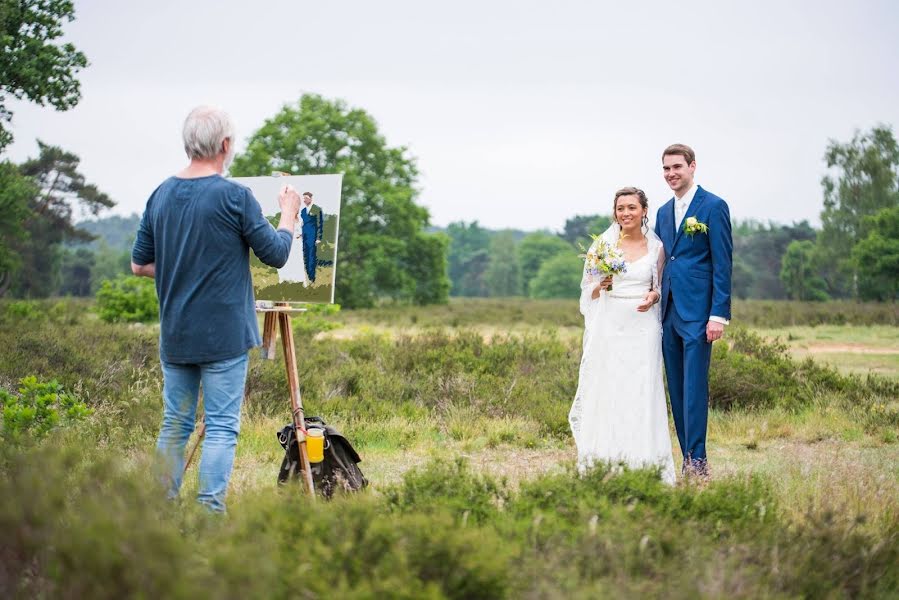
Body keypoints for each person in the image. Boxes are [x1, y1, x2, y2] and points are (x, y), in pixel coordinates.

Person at [131, 105, 302, 512]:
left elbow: (140, 264)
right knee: (223, 426)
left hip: (176, 332)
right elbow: (276, 253)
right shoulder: (234, 196)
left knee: (175, 425)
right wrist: (290, 214)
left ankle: (159, 514)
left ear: (189, 143)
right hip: (224, 335)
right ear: (225, 145)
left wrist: (183, 267)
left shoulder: (160, 194)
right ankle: (209, 516)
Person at [569, 187, 676, 485]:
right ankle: (606, 462)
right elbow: (585, 293)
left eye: (631, 207)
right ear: (614, 213)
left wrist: (652, 298)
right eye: (620, 208)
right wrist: (599, 286)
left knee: (641, 390)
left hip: (643, 327)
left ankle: (646, 464)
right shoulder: (603, 247)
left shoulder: (657, 248)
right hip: (611, 324)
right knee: (610, 389)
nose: (626, 213)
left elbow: (658, 287)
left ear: (643, 210)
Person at [654, 144, 733, 479]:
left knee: (695, 388)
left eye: (677, 167)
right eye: (666, 169)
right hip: (668, 311)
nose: (672, 174)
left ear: (692, 167)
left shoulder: (713, 207)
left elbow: (723, 263)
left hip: (700, 314)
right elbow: (661, 259)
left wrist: (719, 314)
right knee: (676, 387)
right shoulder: (661, 211)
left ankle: (698, 461)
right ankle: (687, 457)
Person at [299, 191, 324, 283]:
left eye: (306, 198)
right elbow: (303, 224)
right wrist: (301, 234)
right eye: (303, 198)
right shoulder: (303, 211)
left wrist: (318, 237)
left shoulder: (317, 209)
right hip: (304, 236)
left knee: (311, 256)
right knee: (305, 255)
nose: (304, 200)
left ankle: (312, 277)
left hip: (312, 236)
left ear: (310, 198)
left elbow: (320, 224)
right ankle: (307, 275)